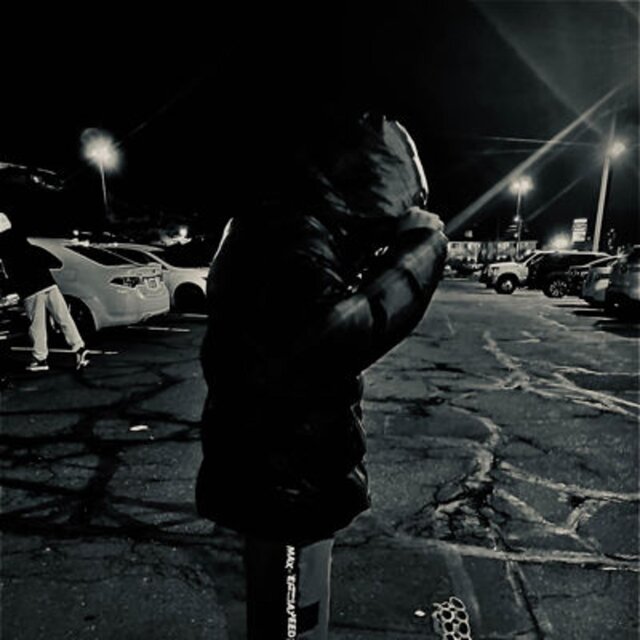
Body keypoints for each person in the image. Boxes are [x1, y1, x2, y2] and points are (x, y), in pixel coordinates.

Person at [196, 113, 448, 639]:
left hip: (280, 477)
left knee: (283, 617)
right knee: (292, 623)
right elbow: (333, 336)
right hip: (287, 486)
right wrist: (420, 253)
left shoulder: (279, 224)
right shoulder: (290, 236)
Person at [0, 213, 90, 372]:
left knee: (37, 324)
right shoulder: (22, 239)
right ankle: (79, 348)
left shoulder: (3, 246)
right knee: (63, 317)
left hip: (30, 288)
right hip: (48, 282)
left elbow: (8, 272)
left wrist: (10, 289)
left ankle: (40, 358)